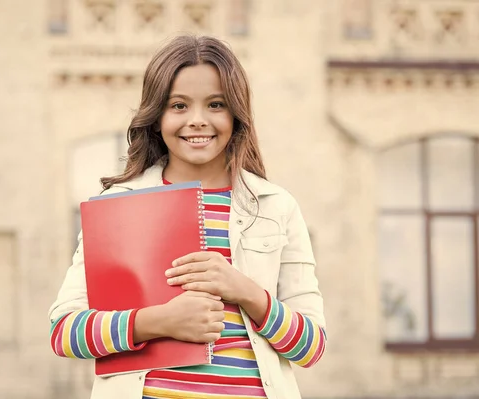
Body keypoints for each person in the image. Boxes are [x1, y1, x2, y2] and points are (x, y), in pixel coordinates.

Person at [49, 35, 326, 399]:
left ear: (236, 114)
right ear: (156, 116)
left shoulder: (277, 206)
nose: (197, 120)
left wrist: (244, 291)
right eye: (178, 105)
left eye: (215, 104)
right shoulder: (118, 206)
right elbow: (64, 332)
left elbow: (311, 347)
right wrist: (157, 322)